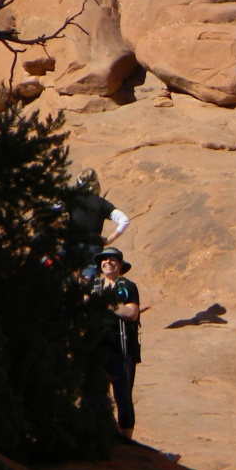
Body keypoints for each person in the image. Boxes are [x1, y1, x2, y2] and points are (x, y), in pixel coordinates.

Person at [92, 246, 141, 438]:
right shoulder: (93, 286)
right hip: (98, 343)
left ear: (120, 264)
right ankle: (102, 433)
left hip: (122, 345)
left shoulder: (127, 286)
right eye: (104, 259)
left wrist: (106, 301)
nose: (108, 262)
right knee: (95, 391)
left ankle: (126, 439)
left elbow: (131, 312)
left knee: (122, 393)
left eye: (113, 259)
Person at [70, 168, 130, 280]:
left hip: (73, 244)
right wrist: (108, 240)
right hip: (93, 245)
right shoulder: (102, 203)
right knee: (90, 283)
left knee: (68, 281)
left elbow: (52, 211)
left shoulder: (71, 200)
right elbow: (124, 220)